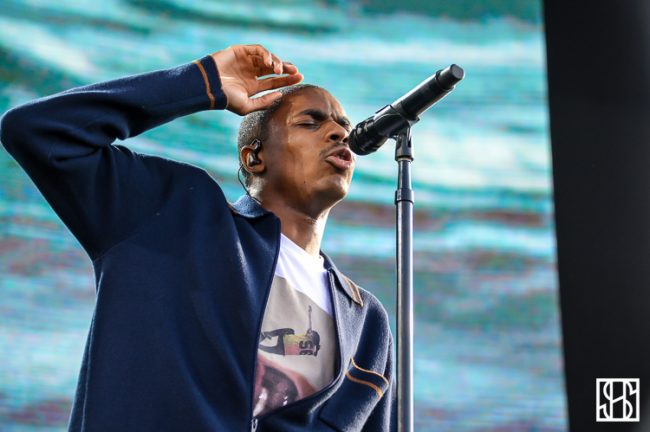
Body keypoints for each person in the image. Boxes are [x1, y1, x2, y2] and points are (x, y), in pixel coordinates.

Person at [0, 44, 395, 431]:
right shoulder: (174, 213)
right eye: (310, 122)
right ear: (254, 157)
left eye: (344, 127)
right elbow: (39, 131)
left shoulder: (367, 323)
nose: (338, 134)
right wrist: (202, 82)